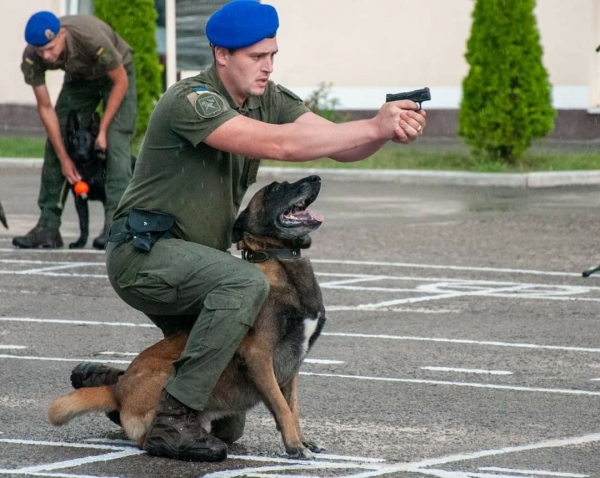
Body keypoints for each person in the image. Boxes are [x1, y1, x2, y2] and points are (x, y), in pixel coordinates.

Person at [71, 0, 427, 462]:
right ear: (222, 55)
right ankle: (172, 422)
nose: (268, 66)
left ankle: (124, 385)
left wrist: (383, 130)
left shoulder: (267, 97)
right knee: (247, 283)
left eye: (273, 55)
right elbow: (281, 143)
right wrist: (371, 125)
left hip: (198, 267)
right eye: (257, 57)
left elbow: (335, 143)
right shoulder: (191, 100)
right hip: (146, 255)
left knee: (231, 411)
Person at [13, 11, 137, 250]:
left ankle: (116, 225)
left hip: (117, 74)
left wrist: (102, 129)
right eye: (41, 51)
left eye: (50, 48)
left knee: (115, 142)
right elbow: (45, 107)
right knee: (56, 138)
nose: (46, 56)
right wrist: (63, 157)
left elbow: (120, 81)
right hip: (80, 79)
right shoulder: (32, 57)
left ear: (62, 34)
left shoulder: (90, 38)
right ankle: (47, 227)